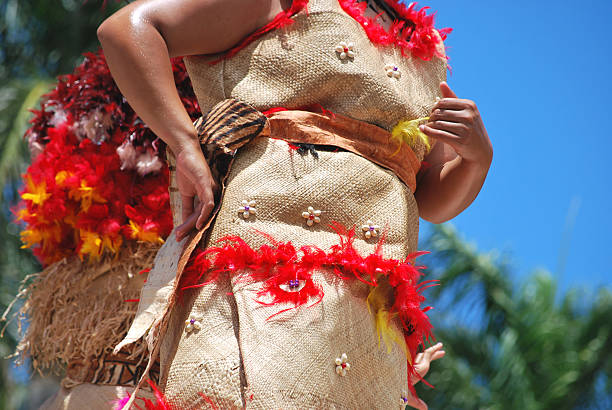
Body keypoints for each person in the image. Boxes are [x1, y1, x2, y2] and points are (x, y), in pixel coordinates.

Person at [96, 0, 493, 408]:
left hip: (371, 303)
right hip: (266, 263)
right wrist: (184, 144)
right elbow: (129, 29)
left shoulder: (424, 47)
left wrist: (477, 161)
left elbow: (428, 196)